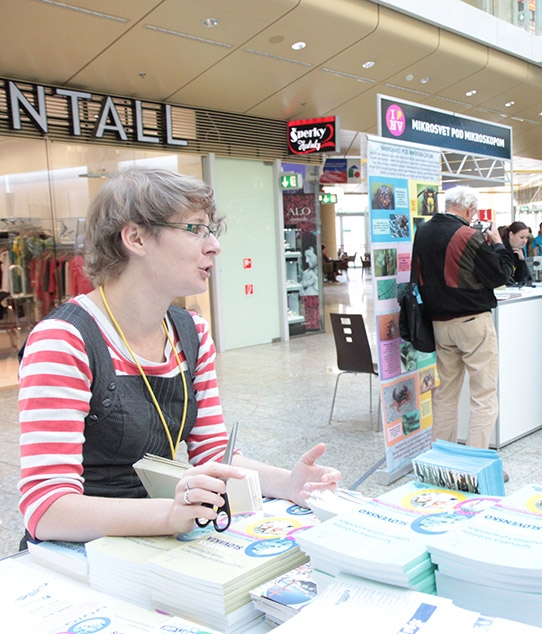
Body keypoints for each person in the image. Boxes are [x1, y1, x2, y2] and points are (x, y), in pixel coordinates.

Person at [17, 168, 342, 545]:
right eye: (195, 229)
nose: (214, 246)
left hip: (157, 539)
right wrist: (169, 514)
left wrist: (288, 484)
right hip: (82, 552)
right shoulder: (64, 339)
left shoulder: (191, 332)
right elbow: (46, 509)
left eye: (211, 231)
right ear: (136, 238)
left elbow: (213, 454)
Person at [410, 185, 513, 449]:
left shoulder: (422, 232)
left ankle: (441, 456)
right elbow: (500, 276)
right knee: (483, 395)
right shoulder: (468, 236)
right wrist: (499, 244)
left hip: (439, 324)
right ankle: (474, 459)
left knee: (445, 393)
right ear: (470, 210)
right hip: (472, 322)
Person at [500, 221, 530, 285]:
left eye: (527, 238)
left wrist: (522, 261)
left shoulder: (520, 251)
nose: (525, 241)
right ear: (511, 235)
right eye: (521, 237)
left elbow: (523, 279)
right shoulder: (501, 249)